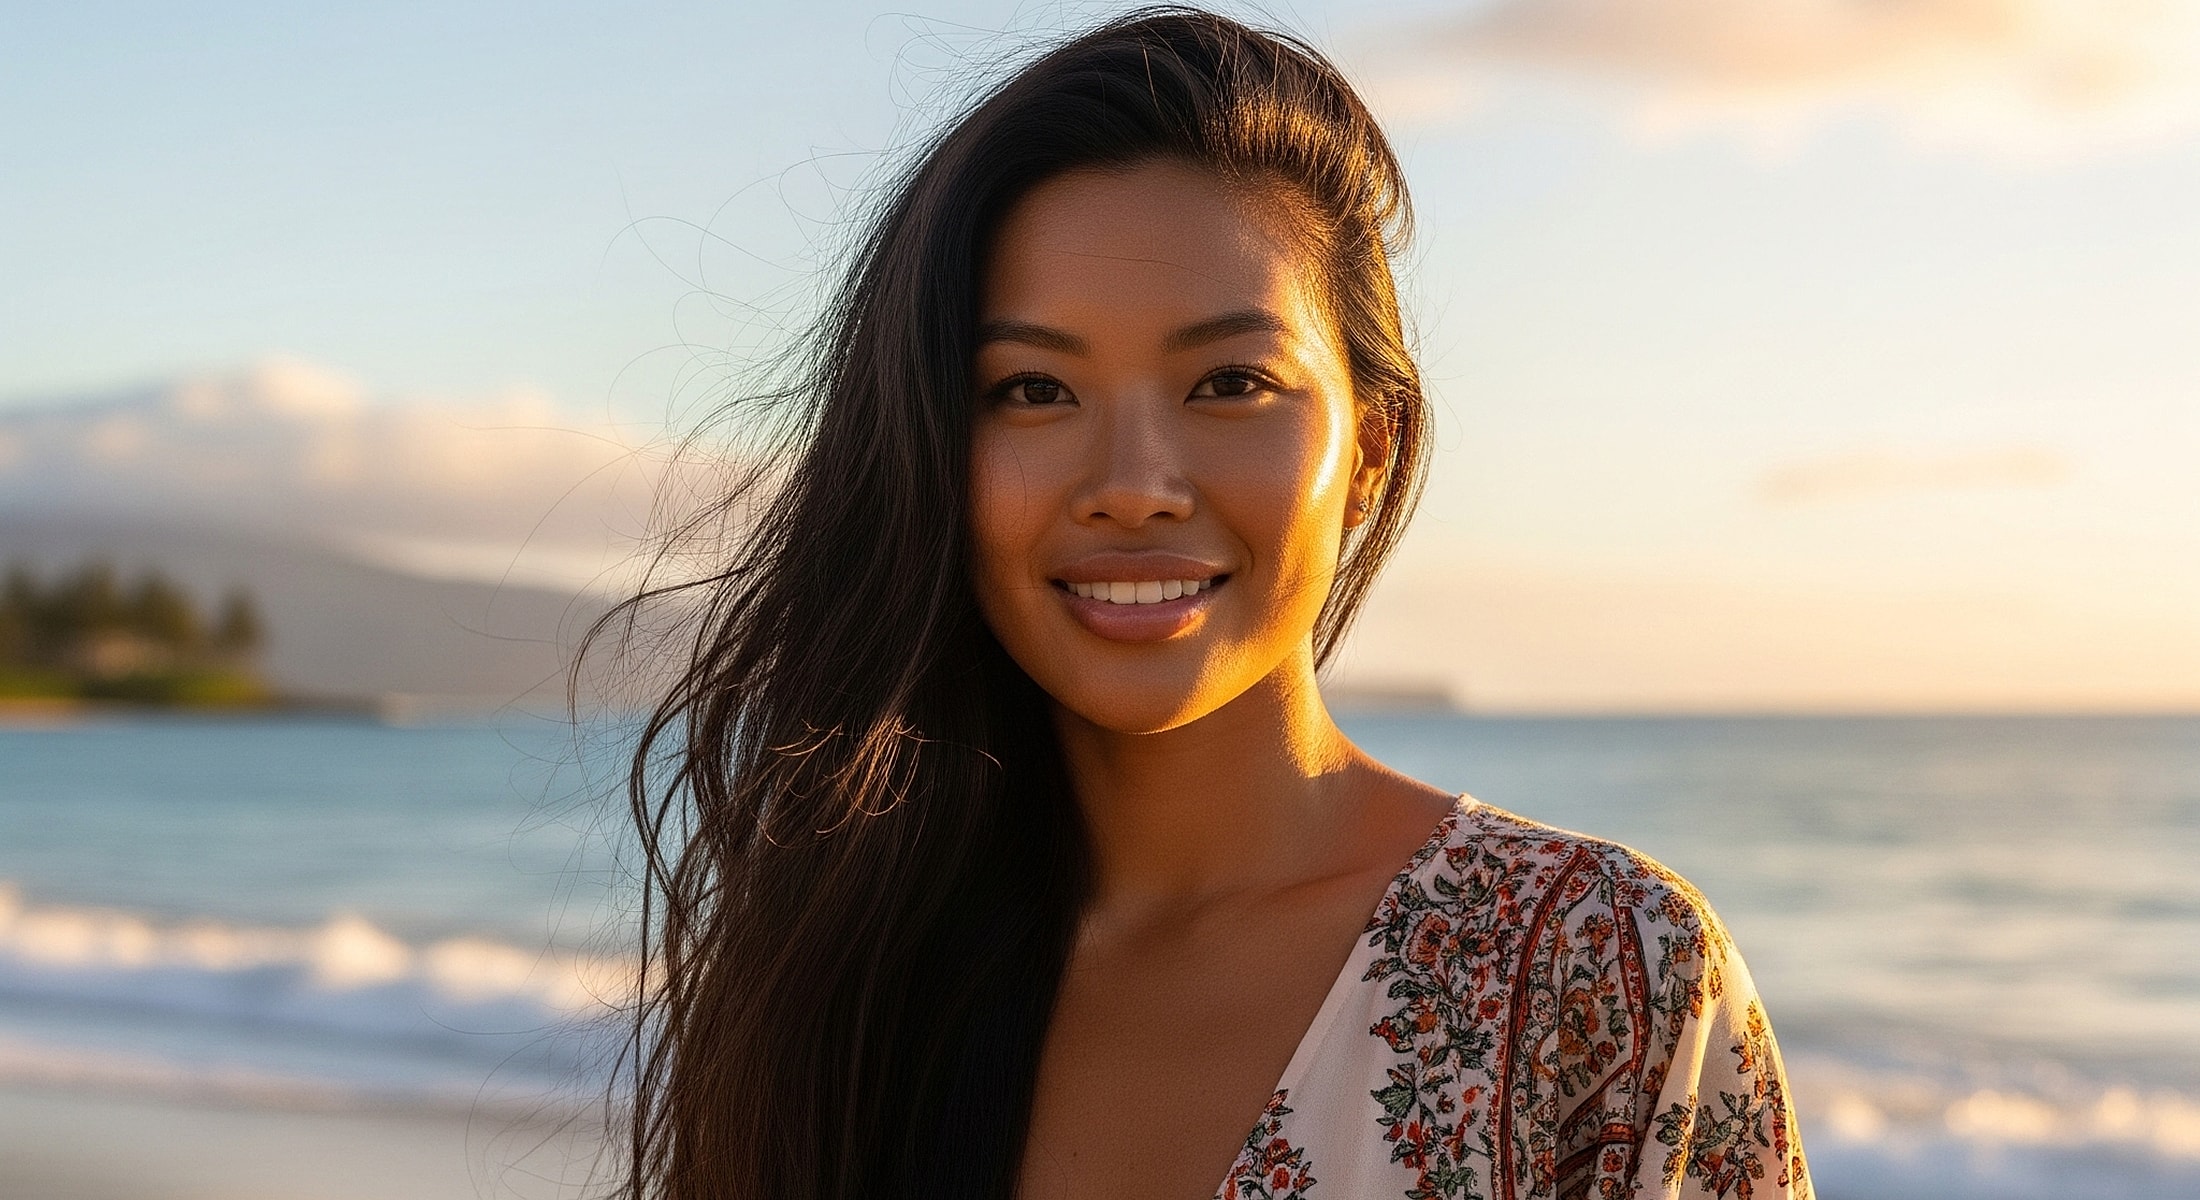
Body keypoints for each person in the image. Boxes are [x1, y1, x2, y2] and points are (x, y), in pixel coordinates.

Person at [606, 8, 1811, 1199]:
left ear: (1373, 450)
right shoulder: (842, 984)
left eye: (1230, 382)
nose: (1132, 488)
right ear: (931, 449)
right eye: (1032, 389)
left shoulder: (1597, 969)